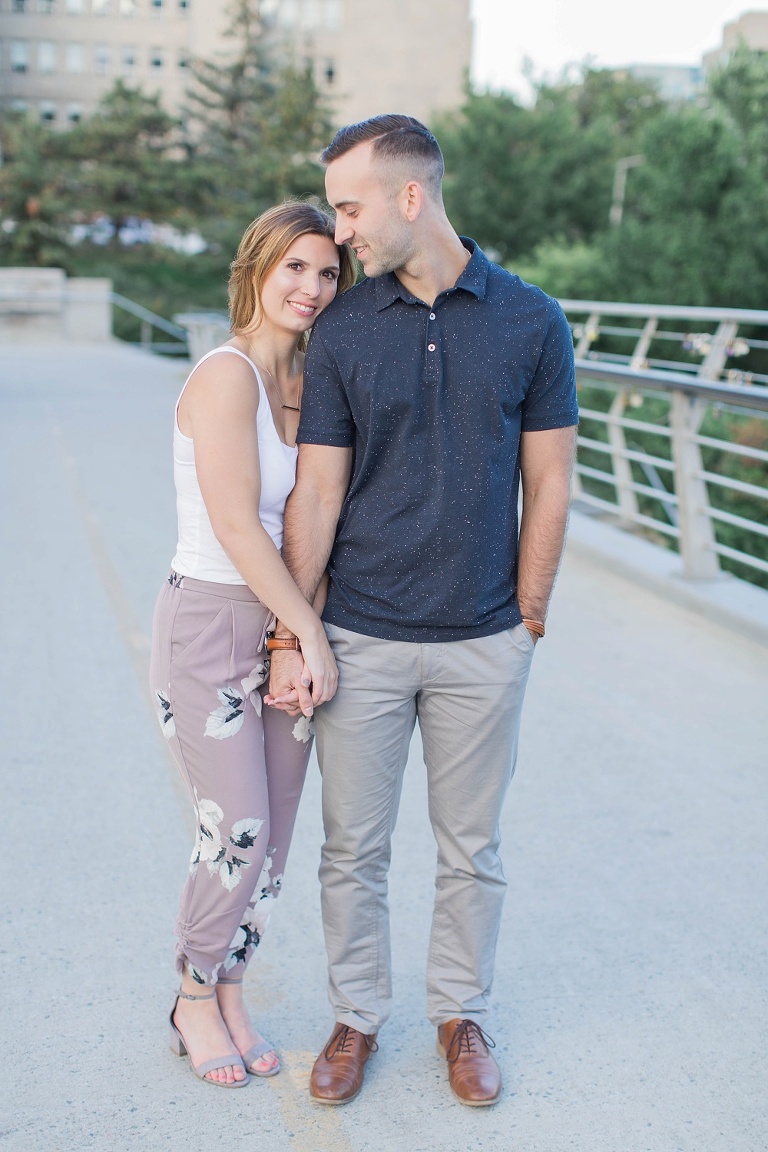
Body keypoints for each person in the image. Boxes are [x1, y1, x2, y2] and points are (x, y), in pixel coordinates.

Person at [265, 116, 579, 1107]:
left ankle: (460, 1013)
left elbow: (552, 482)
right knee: (351, 849)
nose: (341, 231)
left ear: (411, 196)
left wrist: (527, 617)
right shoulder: (346, 329)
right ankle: (356, 1018)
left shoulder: (532, 321)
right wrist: (293, 630)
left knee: (469, 848)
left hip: (484, 639)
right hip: (361, 632)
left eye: (352, 206)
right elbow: (317, 493)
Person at [149, 202, 355, 1087]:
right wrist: (307, 631)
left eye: (327, 272)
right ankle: (191, 994)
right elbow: (238, 526)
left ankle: (233, 990)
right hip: (211, 620)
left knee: (272, 840)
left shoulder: (312, 379)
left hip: (283, 621)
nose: (311, 288)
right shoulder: (226, 375)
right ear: (258, 269)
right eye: (295, 269)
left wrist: (298, 628)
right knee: (229, 827)